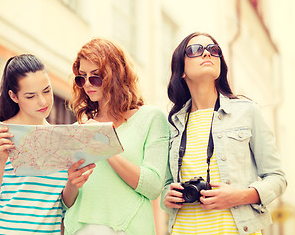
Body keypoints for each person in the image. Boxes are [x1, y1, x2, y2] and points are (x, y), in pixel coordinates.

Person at [161, 32, 287, 235]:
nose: (207, 54)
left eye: (213, 50)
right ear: (181, 70)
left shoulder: (246, 111)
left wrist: (240, 196)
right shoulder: (173, 124)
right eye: (195, 50)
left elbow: (277, 178)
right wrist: (167, 198)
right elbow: (166, 185)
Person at [0, 54, 94, 234]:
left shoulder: (63, 139)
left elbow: (62, 208)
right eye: (31, 96)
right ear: (14, 96)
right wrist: (0, 160)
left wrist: (73, 182)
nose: (43, 101)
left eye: (47, 90)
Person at [63, 38, 169, 235]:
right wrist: (71, 182)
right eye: (81, 77)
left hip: (129, 229)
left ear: (115, 75)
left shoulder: (151, 118)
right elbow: (66, 202)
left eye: (95, 76)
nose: (87, 84)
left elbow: (154, 187)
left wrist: (105, 144)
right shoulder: (79, 128)